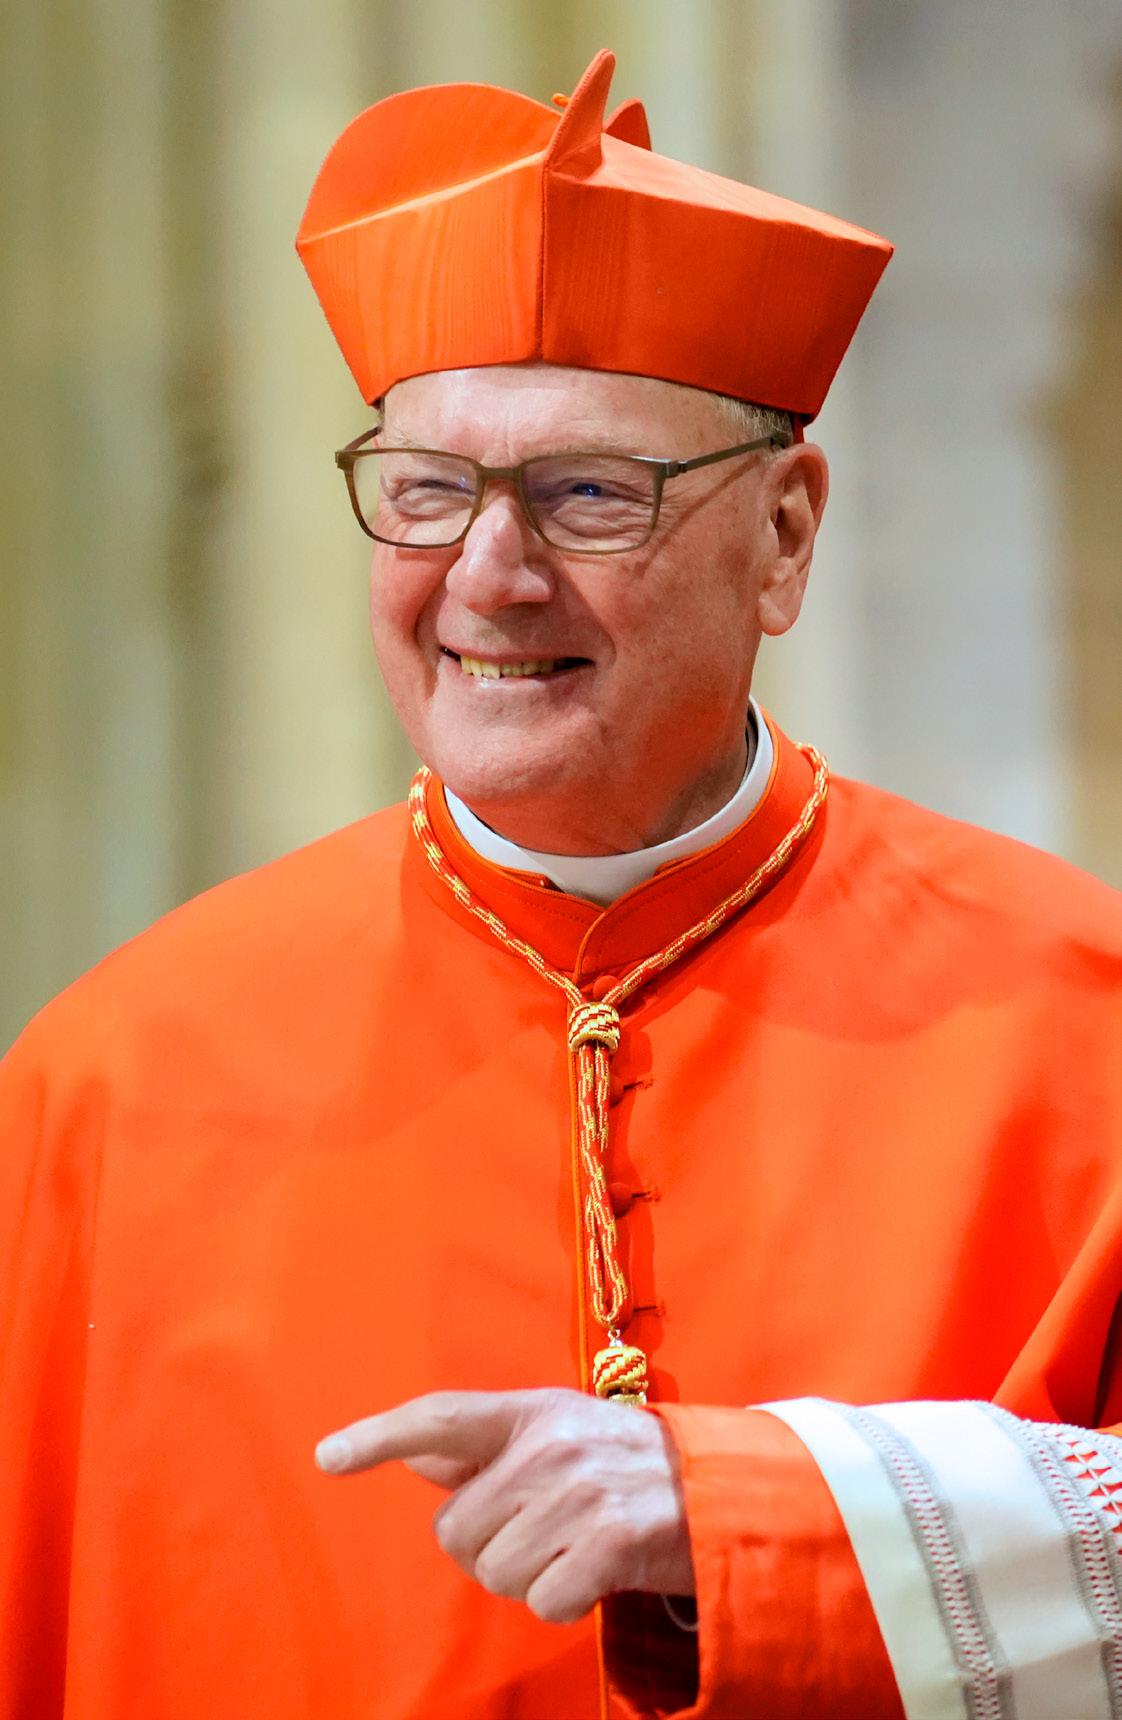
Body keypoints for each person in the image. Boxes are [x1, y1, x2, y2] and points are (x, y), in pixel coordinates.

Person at [2, 45, 1121, 1720]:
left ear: (784, 536)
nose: (489, 574)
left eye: (589, 493)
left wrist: (761, 1515)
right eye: (425, 491)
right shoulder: (107, 1081)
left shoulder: (1080, 1020)